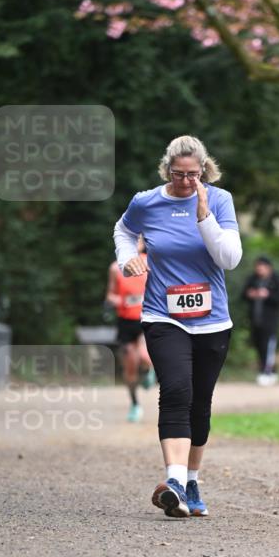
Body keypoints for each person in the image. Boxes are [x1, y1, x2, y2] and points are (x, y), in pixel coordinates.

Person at [113, 135, 242, 518]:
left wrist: (204, 217)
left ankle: (191, 480)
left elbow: (230, 259)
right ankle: (173, 480)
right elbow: (122, 231)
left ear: (203, 171)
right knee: (175, 391)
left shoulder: (219, 200)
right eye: (178, 174)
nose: (185, 182)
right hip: (162, 315)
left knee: (200, 402)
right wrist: (127, 259)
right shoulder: (147, 202)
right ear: (167, 170)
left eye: (193, 174)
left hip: (212, 320)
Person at [105, 236, 155, 422]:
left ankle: (149, 370)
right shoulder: (115, 267)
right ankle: (134, 404)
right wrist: (115, 300)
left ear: (143, 243)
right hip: (125, 321)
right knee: (130, 366)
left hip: (147, 317)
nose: (135, 243)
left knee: (144, 355)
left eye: (138, 240)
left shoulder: (150, 262)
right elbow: (110, 294)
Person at [243, 256, 279, 385]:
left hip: (270, 321)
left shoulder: (276, 280)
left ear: (268, 268)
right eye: (257, 266)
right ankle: (271, 371)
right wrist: (250, 294)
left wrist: (268, 295)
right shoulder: (253, 279)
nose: (259, 269)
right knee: (259, 346)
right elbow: (243, 294)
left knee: (268, 346)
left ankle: (266, 372)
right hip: (255, 321)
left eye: (262, 266)